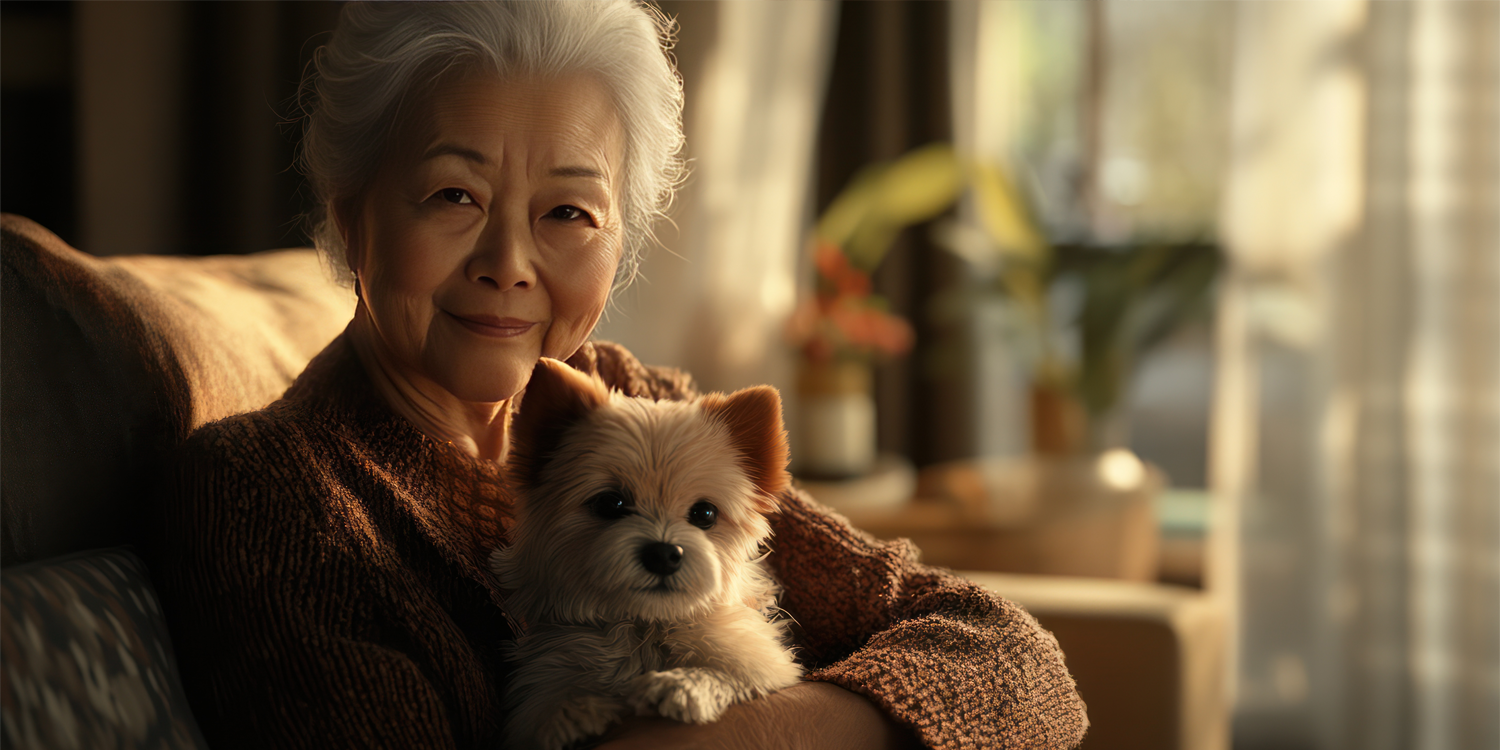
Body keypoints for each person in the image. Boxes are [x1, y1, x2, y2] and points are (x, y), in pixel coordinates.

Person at [152, 3, 1089, 748]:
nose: (510, 261)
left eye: (569, 211)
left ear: (621, 244)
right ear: (351, 212)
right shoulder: (269, 494)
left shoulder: (641, 406)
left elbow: (1016, 665)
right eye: (454, 195)